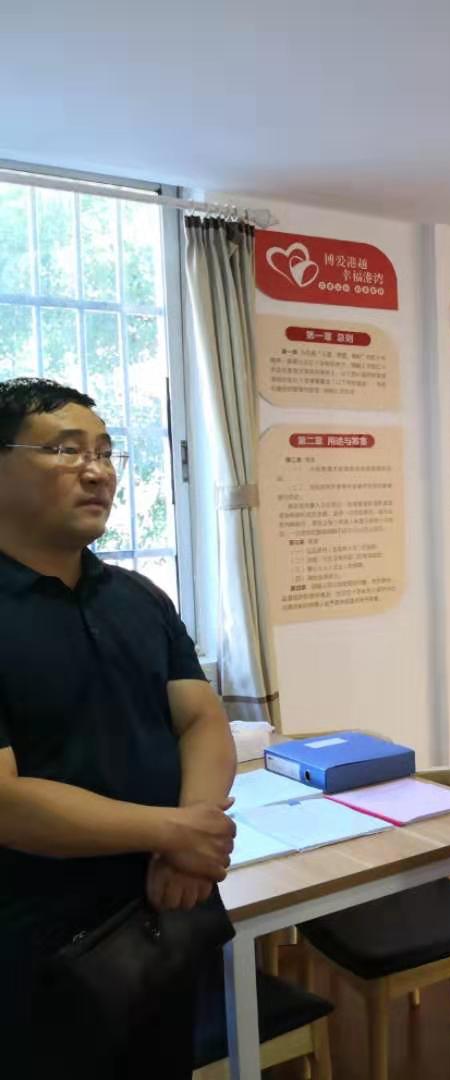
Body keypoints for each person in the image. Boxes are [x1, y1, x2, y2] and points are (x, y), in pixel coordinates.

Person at [0, 378, 238, 1079]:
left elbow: (201, 718)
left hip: (163, 917)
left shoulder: (138, 597)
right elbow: (5, 800)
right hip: (35, 947)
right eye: (66, 450)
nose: (97, 470)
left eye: (105, 452)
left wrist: (190, 839)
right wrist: (175, 833)